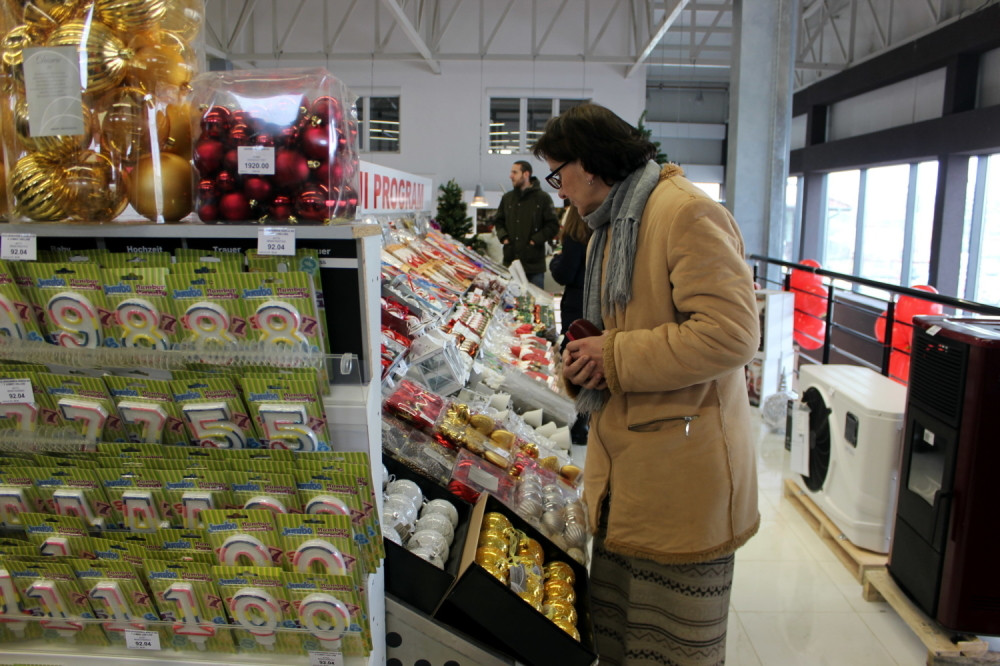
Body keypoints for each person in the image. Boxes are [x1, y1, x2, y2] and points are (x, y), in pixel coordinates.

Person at [533, 103, 760, 666]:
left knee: (671, 646)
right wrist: (585, 363)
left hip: (681, 474)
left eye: (558, 174)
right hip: (631, 473)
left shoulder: (683, 214)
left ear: (589, 163)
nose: (558, 190)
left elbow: (731, 335)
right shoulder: (619, 220)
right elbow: (628, 329)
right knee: (623, 637)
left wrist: (613, 355)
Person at [493, 160, 559, 288]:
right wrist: (504, 238)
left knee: (536, 304)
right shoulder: (507, 198)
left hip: (534, 265)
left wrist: (534, 240)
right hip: (510, 264)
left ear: (526, 174)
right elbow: (499, 221)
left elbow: (553, 225)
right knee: (509, 304)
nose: (510, 176)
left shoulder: (543, 198)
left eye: (514, 172)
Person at [550, 202, 592, 342]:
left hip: (576, 306)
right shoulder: (602, 232)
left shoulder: (575, 236)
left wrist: (555, 261)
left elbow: (565, 274)